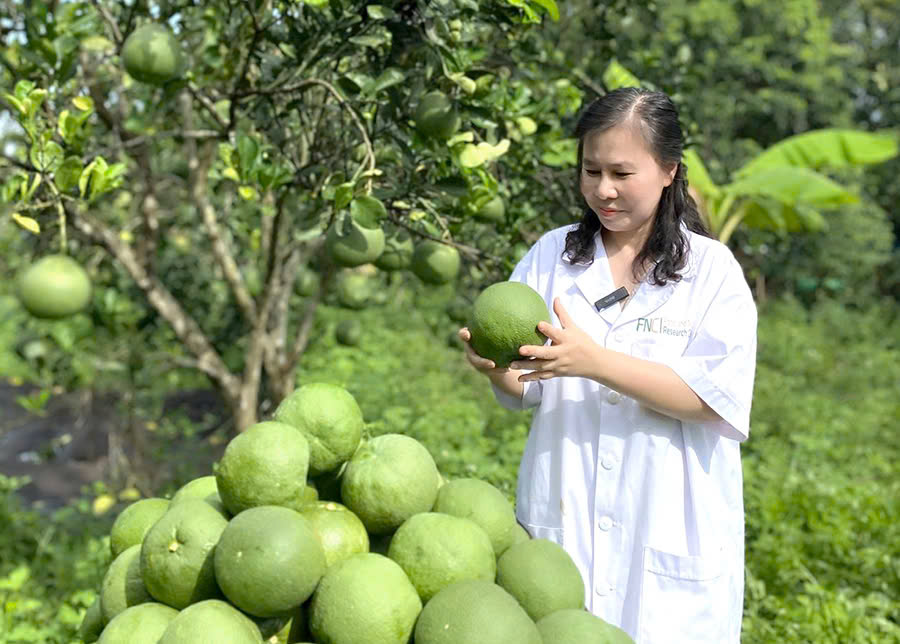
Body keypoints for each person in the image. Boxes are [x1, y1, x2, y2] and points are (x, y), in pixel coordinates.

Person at [459, 87, 757, 644]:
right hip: (565, 517)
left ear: (668, 170)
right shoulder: (552, 255)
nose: (603, 190)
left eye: (622, 172)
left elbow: (711, 398)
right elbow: (527, 381)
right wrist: (493, 366)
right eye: (591, 170)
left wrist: (595, 362)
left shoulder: (712, 273)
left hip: (669, 530)